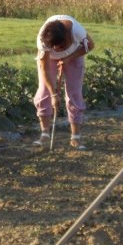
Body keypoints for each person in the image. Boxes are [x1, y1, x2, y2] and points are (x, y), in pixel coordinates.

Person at [33, 15, 95, 150]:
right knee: (44, 91)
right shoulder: (43, 39)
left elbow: (90, 45)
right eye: (54, 47)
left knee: (74, 93)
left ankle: (75, 137)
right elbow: (44, 68)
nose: (58, 50)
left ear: (67, 37)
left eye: (61, 46)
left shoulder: (76, 31)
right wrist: (54, 94)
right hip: (49, 60)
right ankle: (44, 135)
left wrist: (69, 58)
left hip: (74, 56)